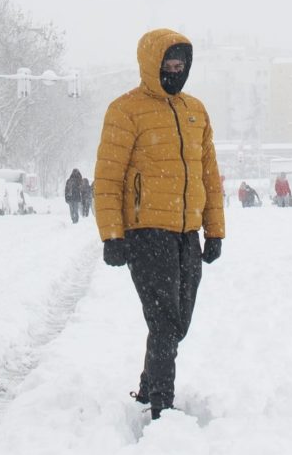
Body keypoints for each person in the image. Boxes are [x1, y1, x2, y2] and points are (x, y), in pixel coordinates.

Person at [92, 28, 224, 420]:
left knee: (179, 321)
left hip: (187, 233)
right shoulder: (125, 110)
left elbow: (209, 175)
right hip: (146, 232)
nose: (175, 69)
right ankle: (161, 405)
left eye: (181, 63)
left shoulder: (195, 111)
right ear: (152, 63)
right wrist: (113, 236)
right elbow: (109, 178)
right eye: (169, 62)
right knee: (165, 321)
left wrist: (214, 230)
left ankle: (149, 385)